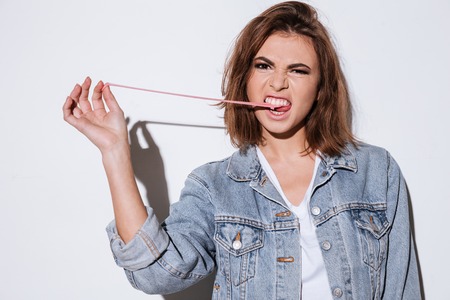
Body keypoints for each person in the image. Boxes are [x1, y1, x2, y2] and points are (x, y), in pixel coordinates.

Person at [63, 1, 421, 299]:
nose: (277, 82)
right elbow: (158, 276)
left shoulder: (375, 171)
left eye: (297, 71)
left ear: (320, 88)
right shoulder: (214, 187)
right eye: (263, 65)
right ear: (245, 79)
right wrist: (115, 152)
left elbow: (402, 290)